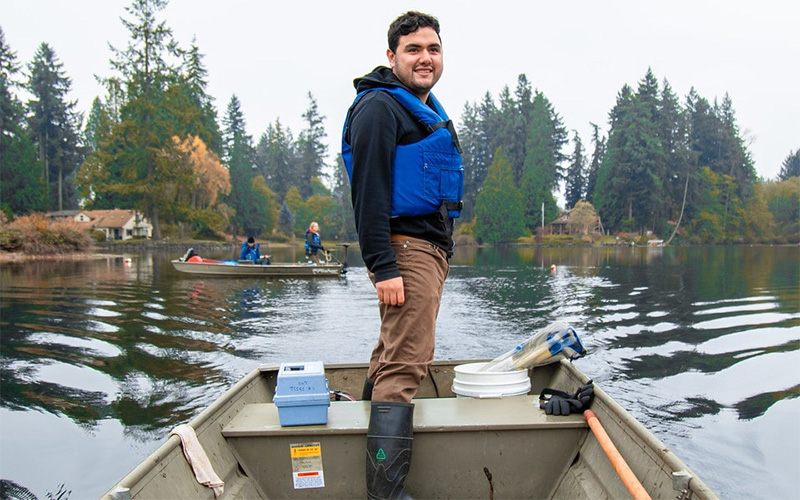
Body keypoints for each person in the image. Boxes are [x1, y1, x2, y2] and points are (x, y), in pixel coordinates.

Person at [341, 11, 463, 498]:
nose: (425, 58)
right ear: (391, 57)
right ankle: (385, 492)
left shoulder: (420, 107)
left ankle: (375, 477)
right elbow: (368, 194)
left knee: (389, 356)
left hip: (423, 250)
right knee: (407, 362)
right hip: (405, 252)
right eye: (413, 50)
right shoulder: (379, 108)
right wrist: (382, 267)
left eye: (433, 49)